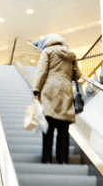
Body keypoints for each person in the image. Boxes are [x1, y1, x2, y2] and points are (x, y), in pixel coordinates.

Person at [32, 34, 81, 164]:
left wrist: (36, 90)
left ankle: (47, 159)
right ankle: (63, 159)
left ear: (50, 43)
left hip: (50, 91)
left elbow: (41, 72)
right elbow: (78, 75)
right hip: (66, 92)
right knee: (63, 128)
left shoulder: (47, 51)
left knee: (48, 127)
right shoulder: (71, 55)